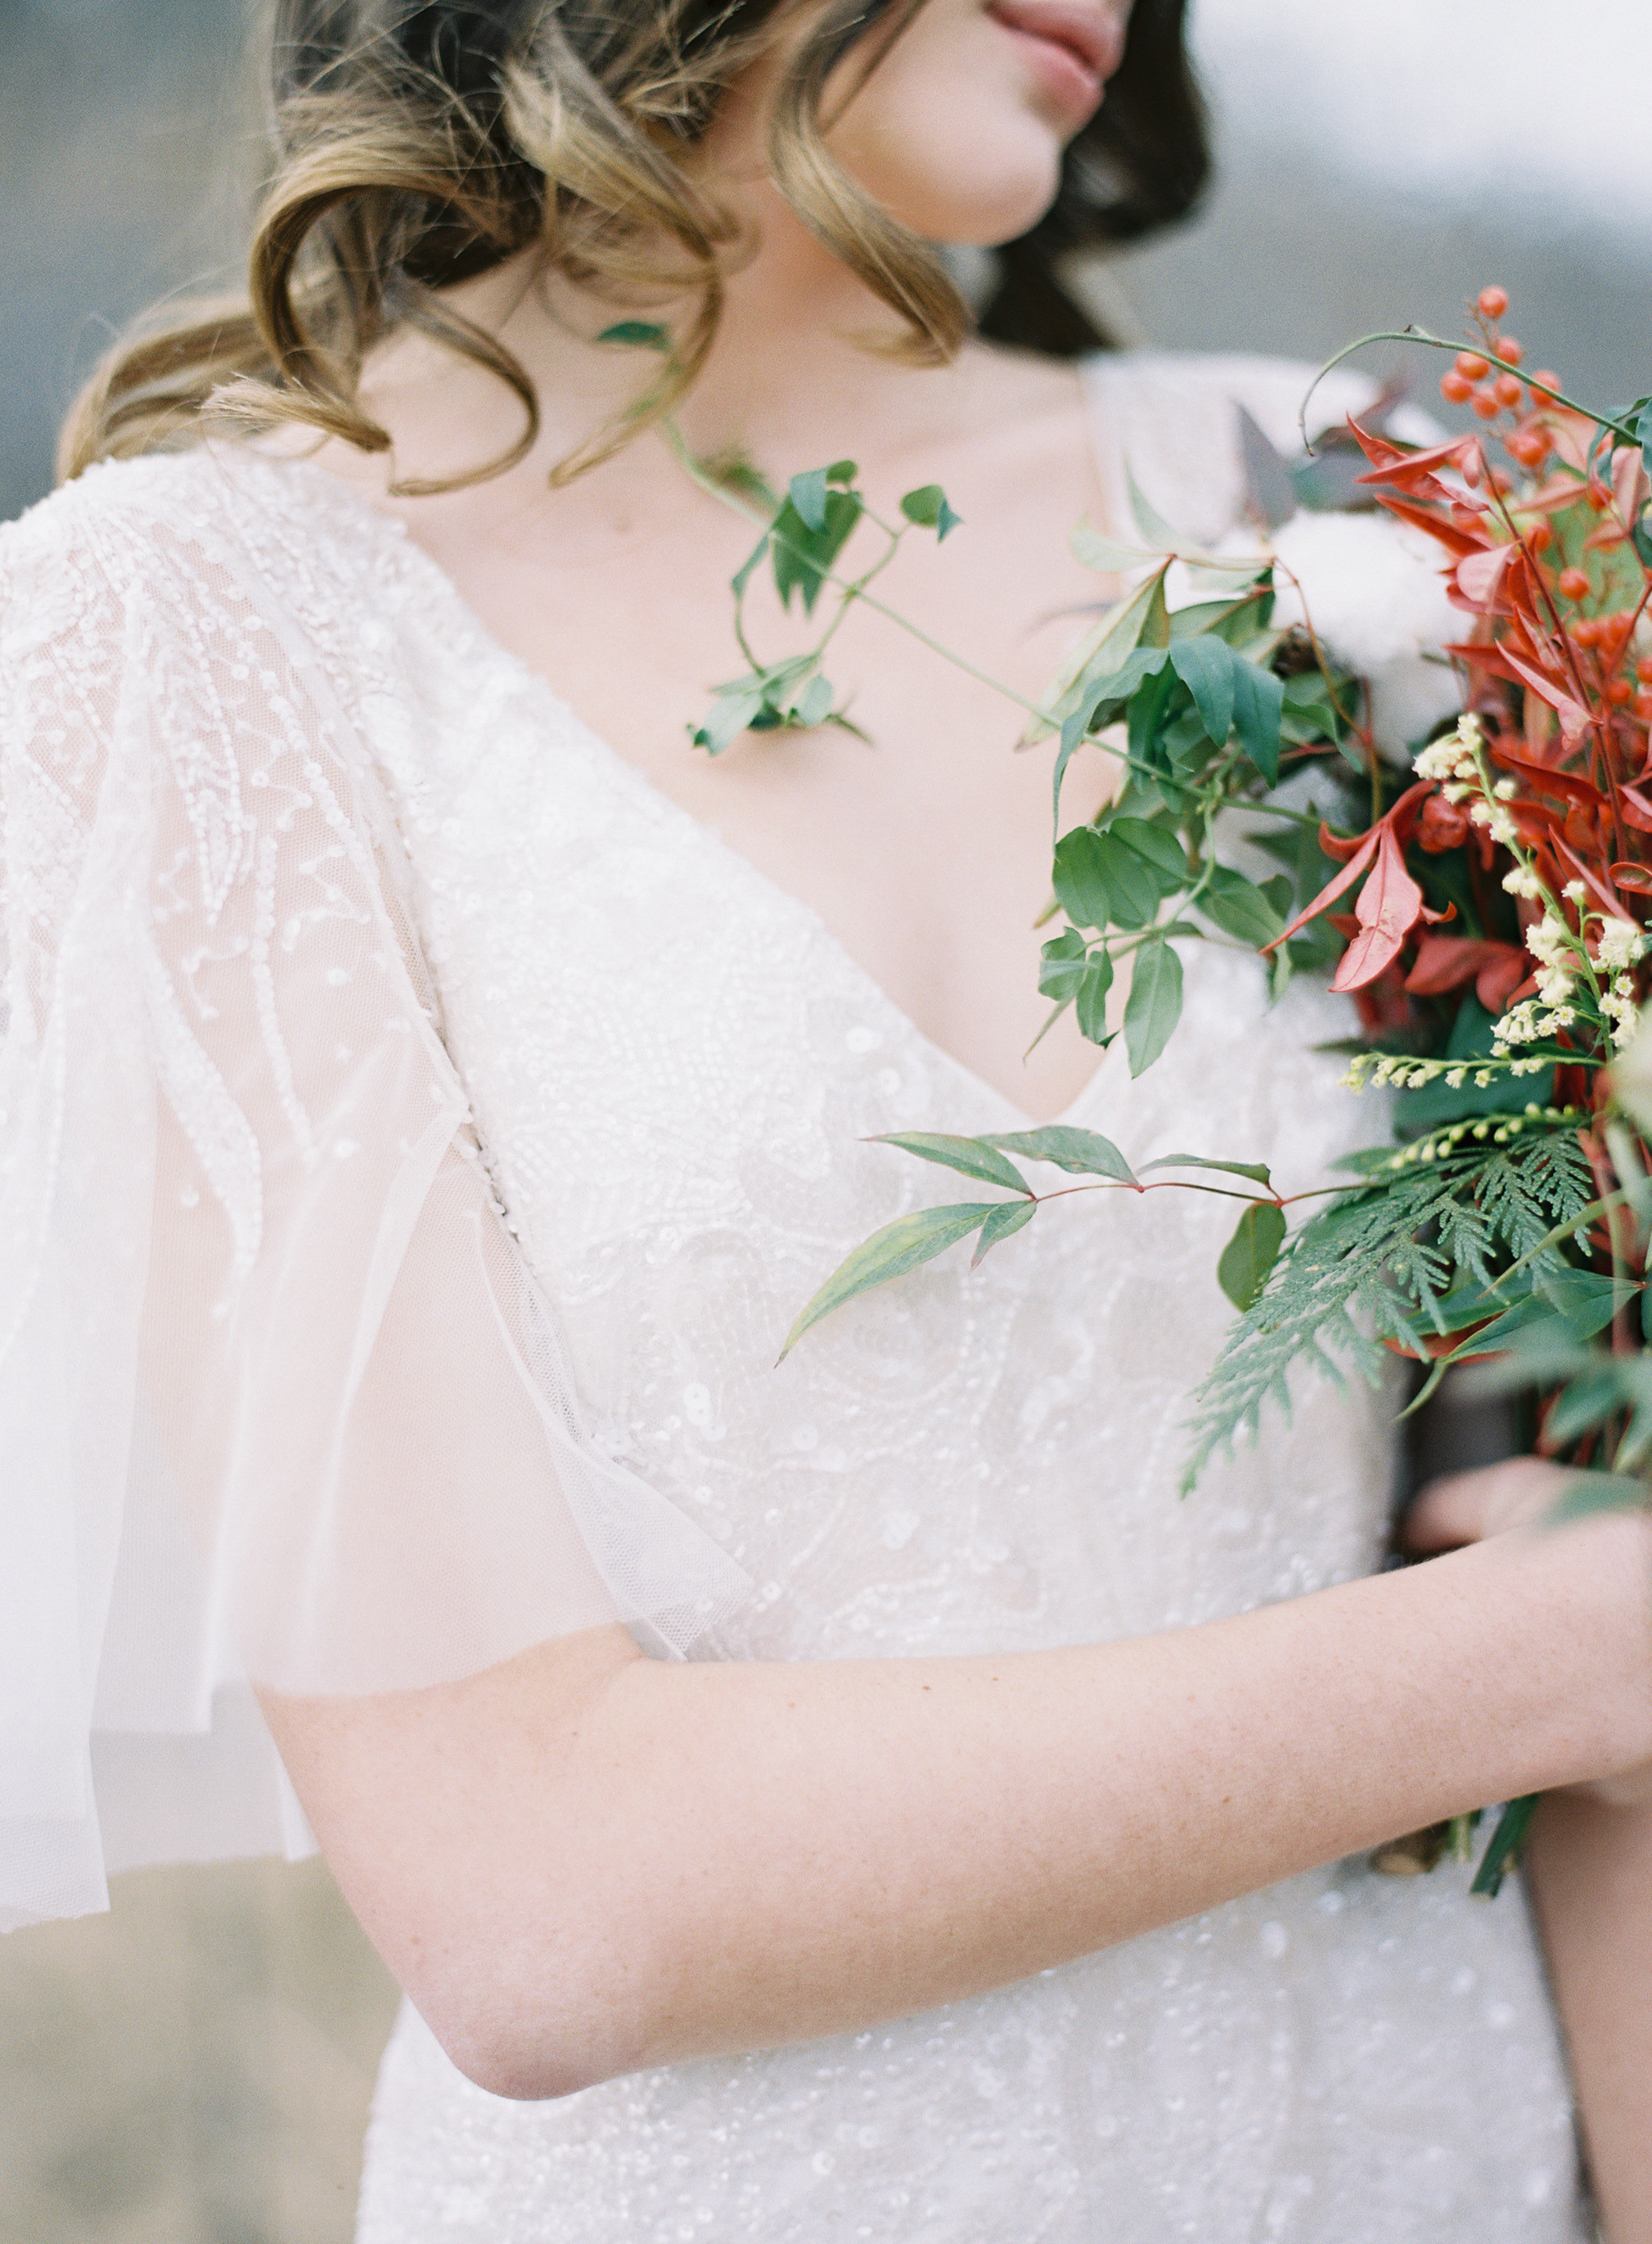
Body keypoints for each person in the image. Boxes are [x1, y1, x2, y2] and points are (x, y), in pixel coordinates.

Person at [2, 0, 1649, 2237]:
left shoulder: (1351, 523)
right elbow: (542, 1901)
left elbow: (1584, 1554)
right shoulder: (195, 628)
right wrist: (1548, 1658)